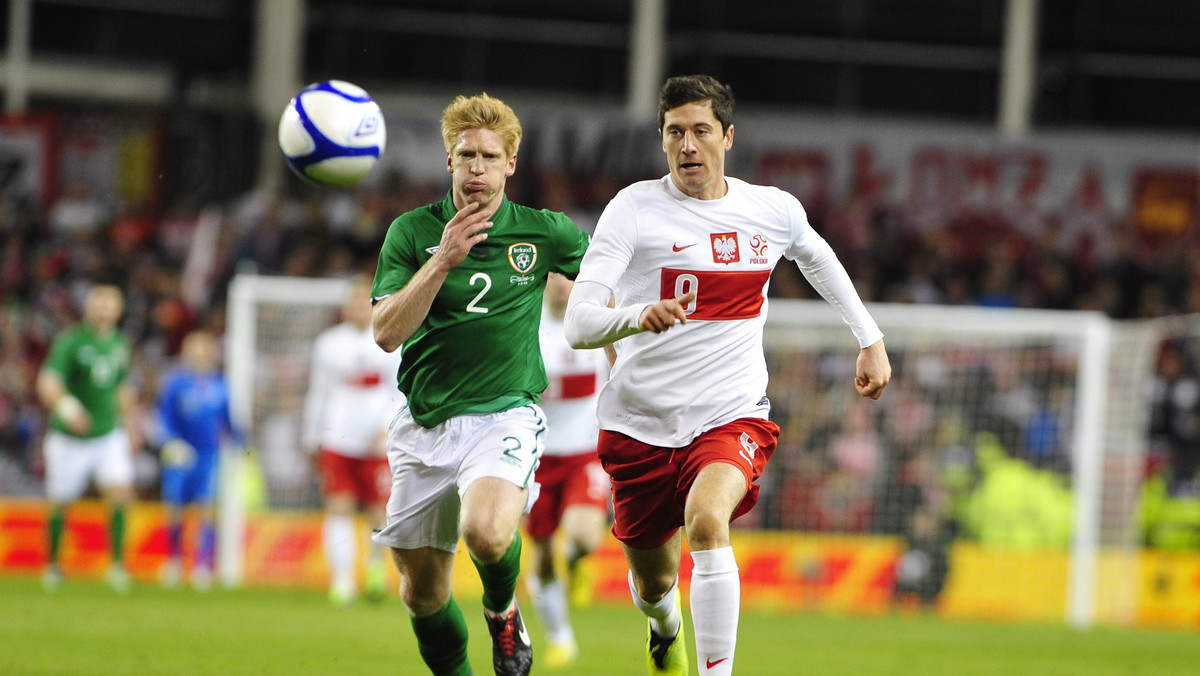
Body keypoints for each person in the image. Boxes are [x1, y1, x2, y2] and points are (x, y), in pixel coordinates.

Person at [563, 75, 892, 676]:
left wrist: (868, 338)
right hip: (639, 424)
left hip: (728, 414)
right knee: (654, 586)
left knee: (708, 520)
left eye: (701, 131)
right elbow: (579, 324)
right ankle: (664, 630)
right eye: (675, 133)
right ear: (661, 140)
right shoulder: (633, 210)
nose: (688, 145)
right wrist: (638, 315)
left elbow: (818, 258)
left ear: (727, 137)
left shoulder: (771, 209)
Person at [369, 93, 591, 676]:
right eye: (465, 154)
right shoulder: (412, 233)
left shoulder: (546, 233)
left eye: (489, 156)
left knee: (488, 533)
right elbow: (386, 333)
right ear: (448, 161)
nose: (476, 168)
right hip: (423, 425)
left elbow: (609, 281)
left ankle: (503, 610)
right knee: (422, 593)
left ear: (510, 164)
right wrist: (441, 260)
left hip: (504, 414)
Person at [524, 272, 613, 669]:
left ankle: (577, 561)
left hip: (584, 453)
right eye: (554, 276)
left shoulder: (594, 323)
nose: (562, 284)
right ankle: (560, 637)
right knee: (541, 553)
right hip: (537, 456)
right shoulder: (525, 329)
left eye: (570, 276)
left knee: (583, 535)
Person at [302, 273, 404, 606]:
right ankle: (342, 581)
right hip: (337, 436)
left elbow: (399, 390)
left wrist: (389, 427)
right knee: (339, 507)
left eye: (365, 299)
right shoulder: (329, 343)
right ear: (345, 306)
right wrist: (311, 435)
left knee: (379, 510)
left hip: (377, 438)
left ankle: (374, 569)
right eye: (354, 299)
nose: (359, 306)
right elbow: (318, 391)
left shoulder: (390, 338)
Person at [36, 283, 142, 593]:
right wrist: (69, 409)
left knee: (120, 493)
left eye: (111, 302)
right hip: (69, 436)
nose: (104, 307)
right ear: (88, 306)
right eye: (99, 301)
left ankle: (117, 566)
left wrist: (132, 426)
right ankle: (53, 565)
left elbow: (122, 388)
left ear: (119, 310)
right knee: (60, 501)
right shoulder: (71, 341)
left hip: (108, 433)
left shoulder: (120, 344)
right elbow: (48, 380)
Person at [155, 329, 240, 591]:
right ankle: (174, 561)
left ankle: (203, 565)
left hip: (208, 456)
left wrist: (240, 447)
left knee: (206, 509)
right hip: (180, 455)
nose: (200, 355)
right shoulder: (174, 383)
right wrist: (170, 443)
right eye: (194, 350)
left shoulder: (220, 384)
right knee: (175, 509)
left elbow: (229, 422)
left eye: (204, 350)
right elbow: (163, 418)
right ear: (186, 353)